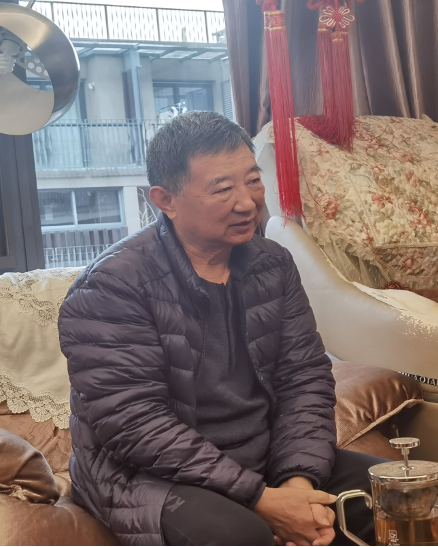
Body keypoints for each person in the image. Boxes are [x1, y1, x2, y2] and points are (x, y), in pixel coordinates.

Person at [59, 111, 383, 546]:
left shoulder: (273, 264)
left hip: (265, 456)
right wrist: (261, 499)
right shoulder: (112, 285)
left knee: (394, 489)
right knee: (239, 534)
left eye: (252, 180)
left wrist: (297, 484)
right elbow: (134, 423)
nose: (247, 202)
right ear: (165, 199)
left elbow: (303, 378)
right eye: (222, 188)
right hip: (148, 473)